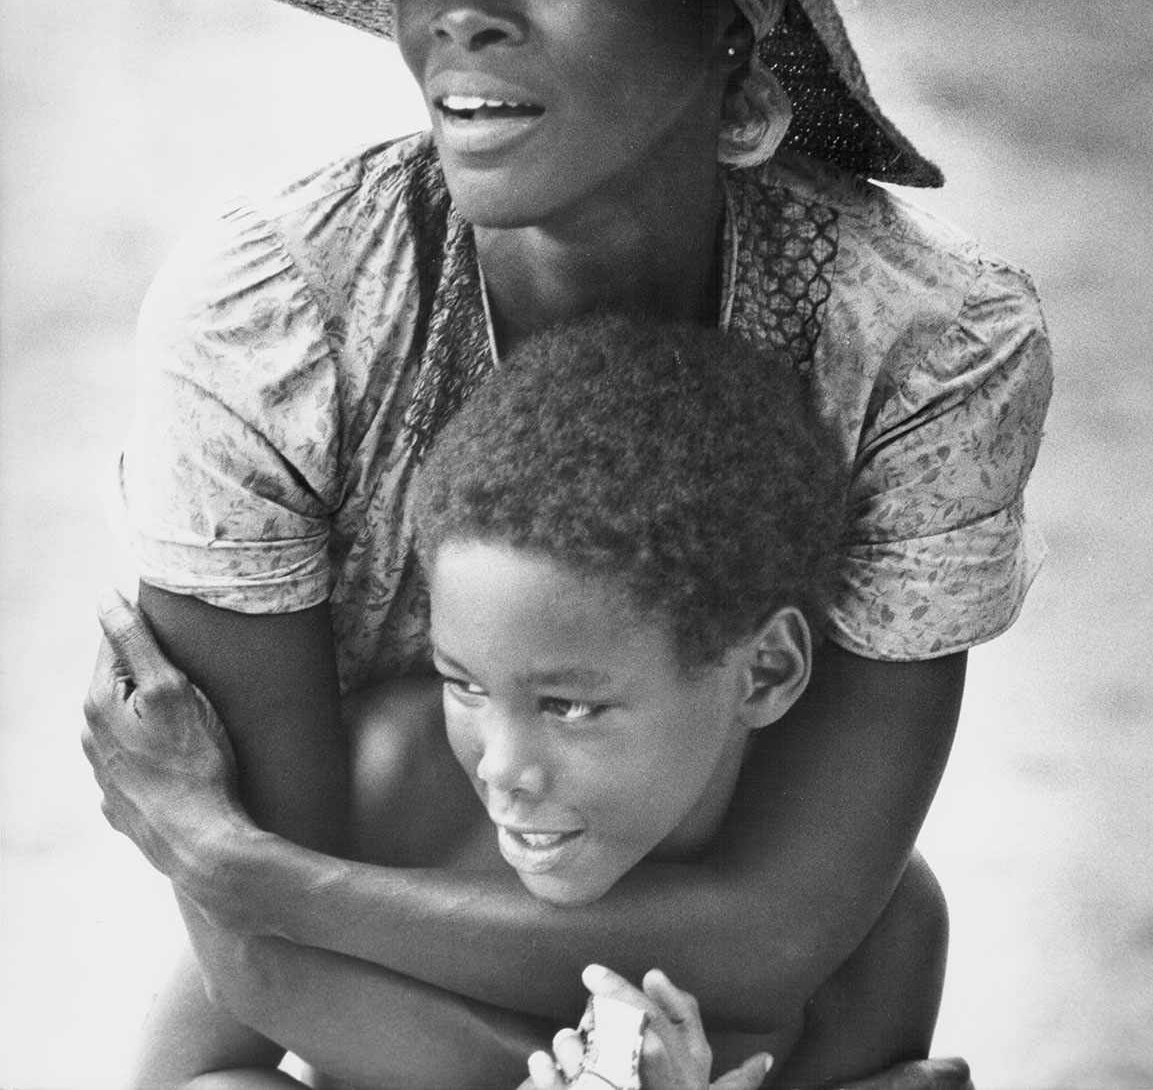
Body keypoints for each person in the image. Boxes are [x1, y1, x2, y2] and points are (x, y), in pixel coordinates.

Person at [83, 0, 1049, 1090]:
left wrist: (223, 854)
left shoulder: (918, 349)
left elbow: (796, 929)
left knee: (879, 996)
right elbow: (257, 966)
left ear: (736, 35)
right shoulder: (274, 312)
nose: (455, 9)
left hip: (700, 973)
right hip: (355, 975)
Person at [88, 316, 960, 1089]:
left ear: (763, 673)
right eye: (464, 683)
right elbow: (191, 1073)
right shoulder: (389, 784)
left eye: (570, 707)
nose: (503, 770)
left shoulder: (871, 931)